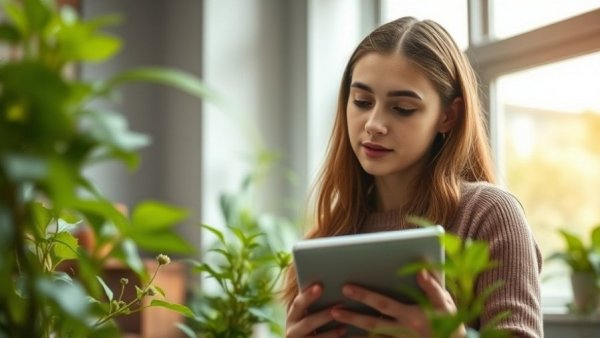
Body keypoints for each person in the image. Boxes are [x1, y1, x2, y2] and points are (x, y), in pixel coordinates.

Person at [281, 16, 542, 338]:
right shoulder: (329, 235)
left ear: (448, 116)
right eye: (362, 102)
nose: (374, 123)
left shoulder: (487, 214)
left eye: (402, 108)